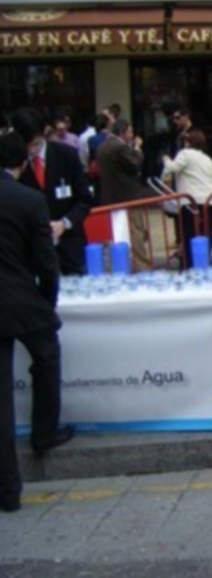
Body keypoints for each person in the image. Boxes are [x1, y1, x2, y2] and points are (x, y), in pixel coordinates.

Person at [0, 132, 73, 514]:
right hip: (21, 301)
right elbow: (47, 263)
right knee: (46, 357)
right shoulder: (29, 200)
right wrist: (46, 302)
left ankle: (7, 489)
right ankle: (45, 432)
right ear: (24, 162)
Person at [12, 107, 93, 276]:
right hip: (33, 252)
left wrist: (64, 223)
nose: (31, 151)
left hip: (70, 248)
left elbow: (84, 200)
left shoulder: (67, 155)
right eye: (25, 146)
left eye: (35, 144)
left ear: (45, 133)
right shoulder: (15, 163)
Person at [96, 119, 154, 269]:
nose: (132, 135)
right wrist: (137, 148)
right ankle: (141, 266)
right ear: (122, 133)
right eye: (130, 132)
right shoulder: (119, 147)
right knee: (136, 232)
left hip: (111, 196)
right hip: (127, 196)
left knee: (118, 234)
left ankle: (122, 265)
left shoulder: (102, 146)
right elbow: (135, 163)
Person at [161, 127, 212, 269]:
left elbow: (172, 168)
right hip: (210, 200)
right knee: (206, 234)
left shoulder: (185, 154)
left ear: (188, 142)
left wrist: (166, 160)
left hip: (191, 200)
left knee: (189, 235)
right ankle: (204, 264)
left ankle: (190, 267)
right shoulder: (208, 159)